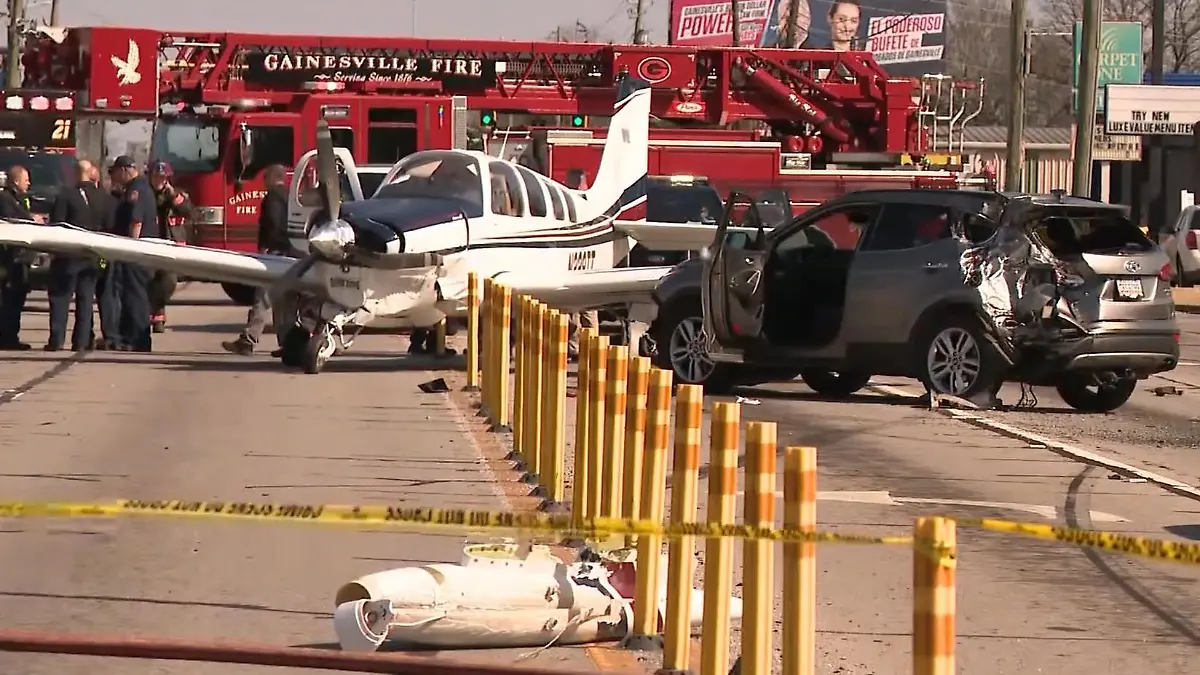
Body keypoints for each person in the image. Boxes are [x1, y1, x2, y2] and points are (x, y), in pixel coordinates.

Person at [223, 164, 289, 356]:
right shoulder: (289, 196)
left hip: (274, 254)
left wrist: (267, 245)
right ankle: (287, 344)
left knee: (263, 298)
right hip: (287, 253)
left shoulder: (272, 197)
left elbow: (273, 222)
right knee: (282, 303)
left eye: (265, 179)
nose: (263, 183)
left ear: (272, 178)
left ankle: (248, 340)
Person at [46, 160, 110, 351]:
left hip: (68, 256)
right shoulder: (102, 197)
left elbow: (57, 224)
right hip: (92, 255)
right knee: (85, 300)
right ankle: (81, 341)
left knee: (60, 298)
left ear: (75, 173)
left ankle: (57, 339)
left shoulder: (66, 195)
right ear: (91, 173)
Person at [107, 155, 158, 352]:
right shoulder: (140, 187)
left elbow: (136, 222)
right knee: (131, 296)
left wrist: (131, 249)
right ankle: (129, 337)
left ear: (124, 170)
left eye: (114, 172)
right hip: (141, 253)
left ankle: (139, 340)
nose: (113, 177)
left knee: (136, 297)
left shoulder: (137, 190)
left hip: (137, 253)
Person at [147, 160, 192, 333]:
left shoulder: (177, 194)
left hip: (170, 244)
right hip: (148, 243)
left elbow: (188, 210)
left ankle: (157, 311)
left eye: (162, 177)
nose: (159, 180)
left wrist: (173, 196)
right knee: (149, 280)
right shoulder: (144, 193)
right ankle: (155, 314)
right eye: (156, 177)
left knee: (168, 281)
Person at [0, 165, 37, 350]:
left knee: (16, 300)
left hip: (20, 260)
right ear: (16, 181)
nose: (29, 183)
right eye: (26, 180)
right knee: (9, 302)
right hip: (10, 261)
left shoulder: (20, 199)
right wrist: (32, 220)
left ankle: (11, 336)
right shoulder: (5, 199)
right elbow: (12, 218)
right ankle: (7, 338)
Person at [562, 168, 597, 360]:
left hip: (583, 262)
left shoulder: (578, 202)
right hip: (577, 261)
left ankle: (583, 347)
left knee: (583, 311)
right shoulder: (582, 201)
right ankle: (580, 347)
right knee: (578, 311)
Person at [94, 164, 123, 350]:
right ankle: (115, 334)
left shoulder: (106, 201)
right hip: (122, 252)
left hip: (106, 252)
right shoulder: (123, 200)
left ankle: (111, 334)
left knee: (106, 292)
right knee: (114, 293)